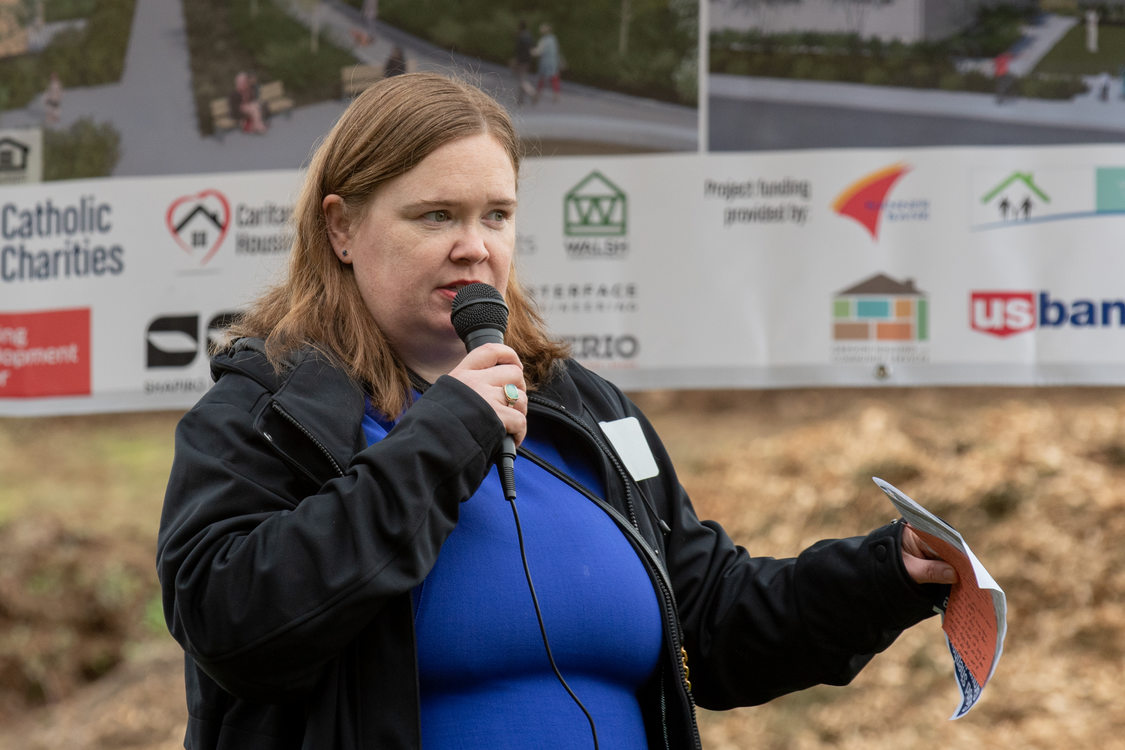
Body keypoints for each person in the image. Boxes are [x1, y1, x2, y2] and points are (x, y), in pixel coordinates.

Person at [157, 72, 956, 749]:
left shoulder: (583, 410)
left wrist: (884, 576)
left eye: (495, 216)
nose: (475, 246)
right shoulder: (266, 414)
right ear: (341, 227)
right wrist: (446, 436)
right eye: (436, 216)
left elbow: (710, 622)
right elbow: (235, 624)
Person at [532, 22, 562, 104]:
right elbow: (557, 51)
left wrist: (531, 52)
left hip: (545, 62)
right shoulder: (553, 39)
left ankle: (537, 94)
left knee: (542, 78)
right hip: (553, 61)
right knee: (554, 77)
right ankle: (556, 95)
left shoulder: (544, 40)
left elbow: (538, 51)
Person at [513, 19, 535, 105]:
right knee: (523, 78)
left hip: (521, 61)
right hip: (528, 60)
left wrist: (516, 61)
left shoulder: (521, 37)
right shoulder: (529, 36)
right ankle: (520, 99)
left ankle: (532, 92)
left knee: (521, 80)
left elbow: (518, 51)